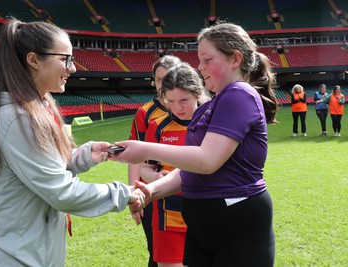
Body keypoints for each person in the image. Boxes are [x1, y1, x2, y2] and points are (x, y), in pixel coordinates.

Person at [0, 18, 144, 267]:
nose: (73, 68)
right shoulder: (18, 117)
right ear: (34, 60)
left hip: (22, 253)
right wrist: (124, 194)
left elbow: (38, 167)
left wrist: (82, 156)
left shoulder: (33, 107)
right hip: (13, 258)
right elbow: (61, 193)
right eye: (65, 59)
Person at [112, 22, 278, 267]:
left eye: (207, 59)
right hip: (206, 227)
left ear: (235, 59)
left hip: (235, 223)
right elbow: (192, 168)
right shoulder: (217, 102)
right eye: (199, 60)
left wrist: (145, 148)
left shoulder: (239, 94)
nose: (200, 67)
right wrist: (151, 192)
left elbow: (206, 160)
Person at [139, 62, 210, 267]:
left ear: (198, 93)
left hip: (207, 212)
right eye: (171, 101)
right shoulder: (157, 127)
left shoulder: (213, 122)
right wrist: (154, 178)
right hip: (167, 215)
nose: (178, 107)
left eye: (184, 100)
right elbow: (145, 167)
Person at [128, 55, 181, 267]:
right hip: (154, 193)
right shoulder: (145, 113)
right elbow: (135, 156)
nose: (164, 83)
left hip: (191, 193)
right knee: (158, 253)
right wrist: (134, 192)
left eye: (169, 77)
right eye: (159, 79)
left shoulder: (197, 108)